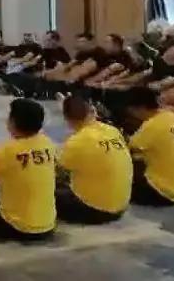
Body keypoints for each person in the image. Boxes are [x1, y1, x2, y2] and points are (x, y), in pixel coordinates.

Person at [0, 99, 56, 241]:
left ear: (13, 122)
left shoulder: (6, 150)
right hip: (48, 225)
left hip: (17, 227)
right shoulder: (47, 143)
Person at [56, 96, 131, 224]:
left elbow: (56, 170)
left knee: (45, 190)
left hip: (95, 210)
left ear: (67, 119)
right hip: (121, 206)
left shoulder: (77, 141)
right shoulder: (112, 130)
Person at [126, 88, 174, 206]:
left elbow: (127, 148)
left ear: (139, 108)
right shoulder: (171, 117)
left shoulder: (151, 126)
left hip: (162, 193)